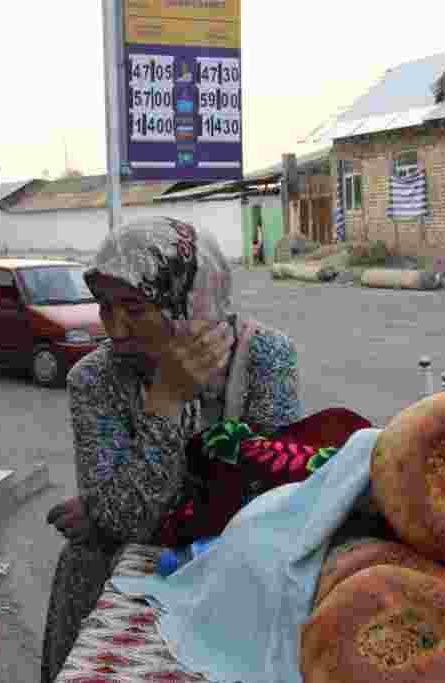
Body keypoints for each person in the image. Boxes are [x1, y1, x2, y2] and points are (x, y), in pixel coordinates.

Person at [41, 217, 304, 683]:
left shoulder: (264, 358)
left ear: (193, 295)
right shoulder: (95, 379)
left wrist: (108, 510)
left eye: (135, 307)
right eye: (103, 306)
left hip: (238, 586)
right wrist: (165, 401)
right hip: (117, 592)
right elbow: (126, 519)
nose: (115, 328)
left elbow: (276, 501)